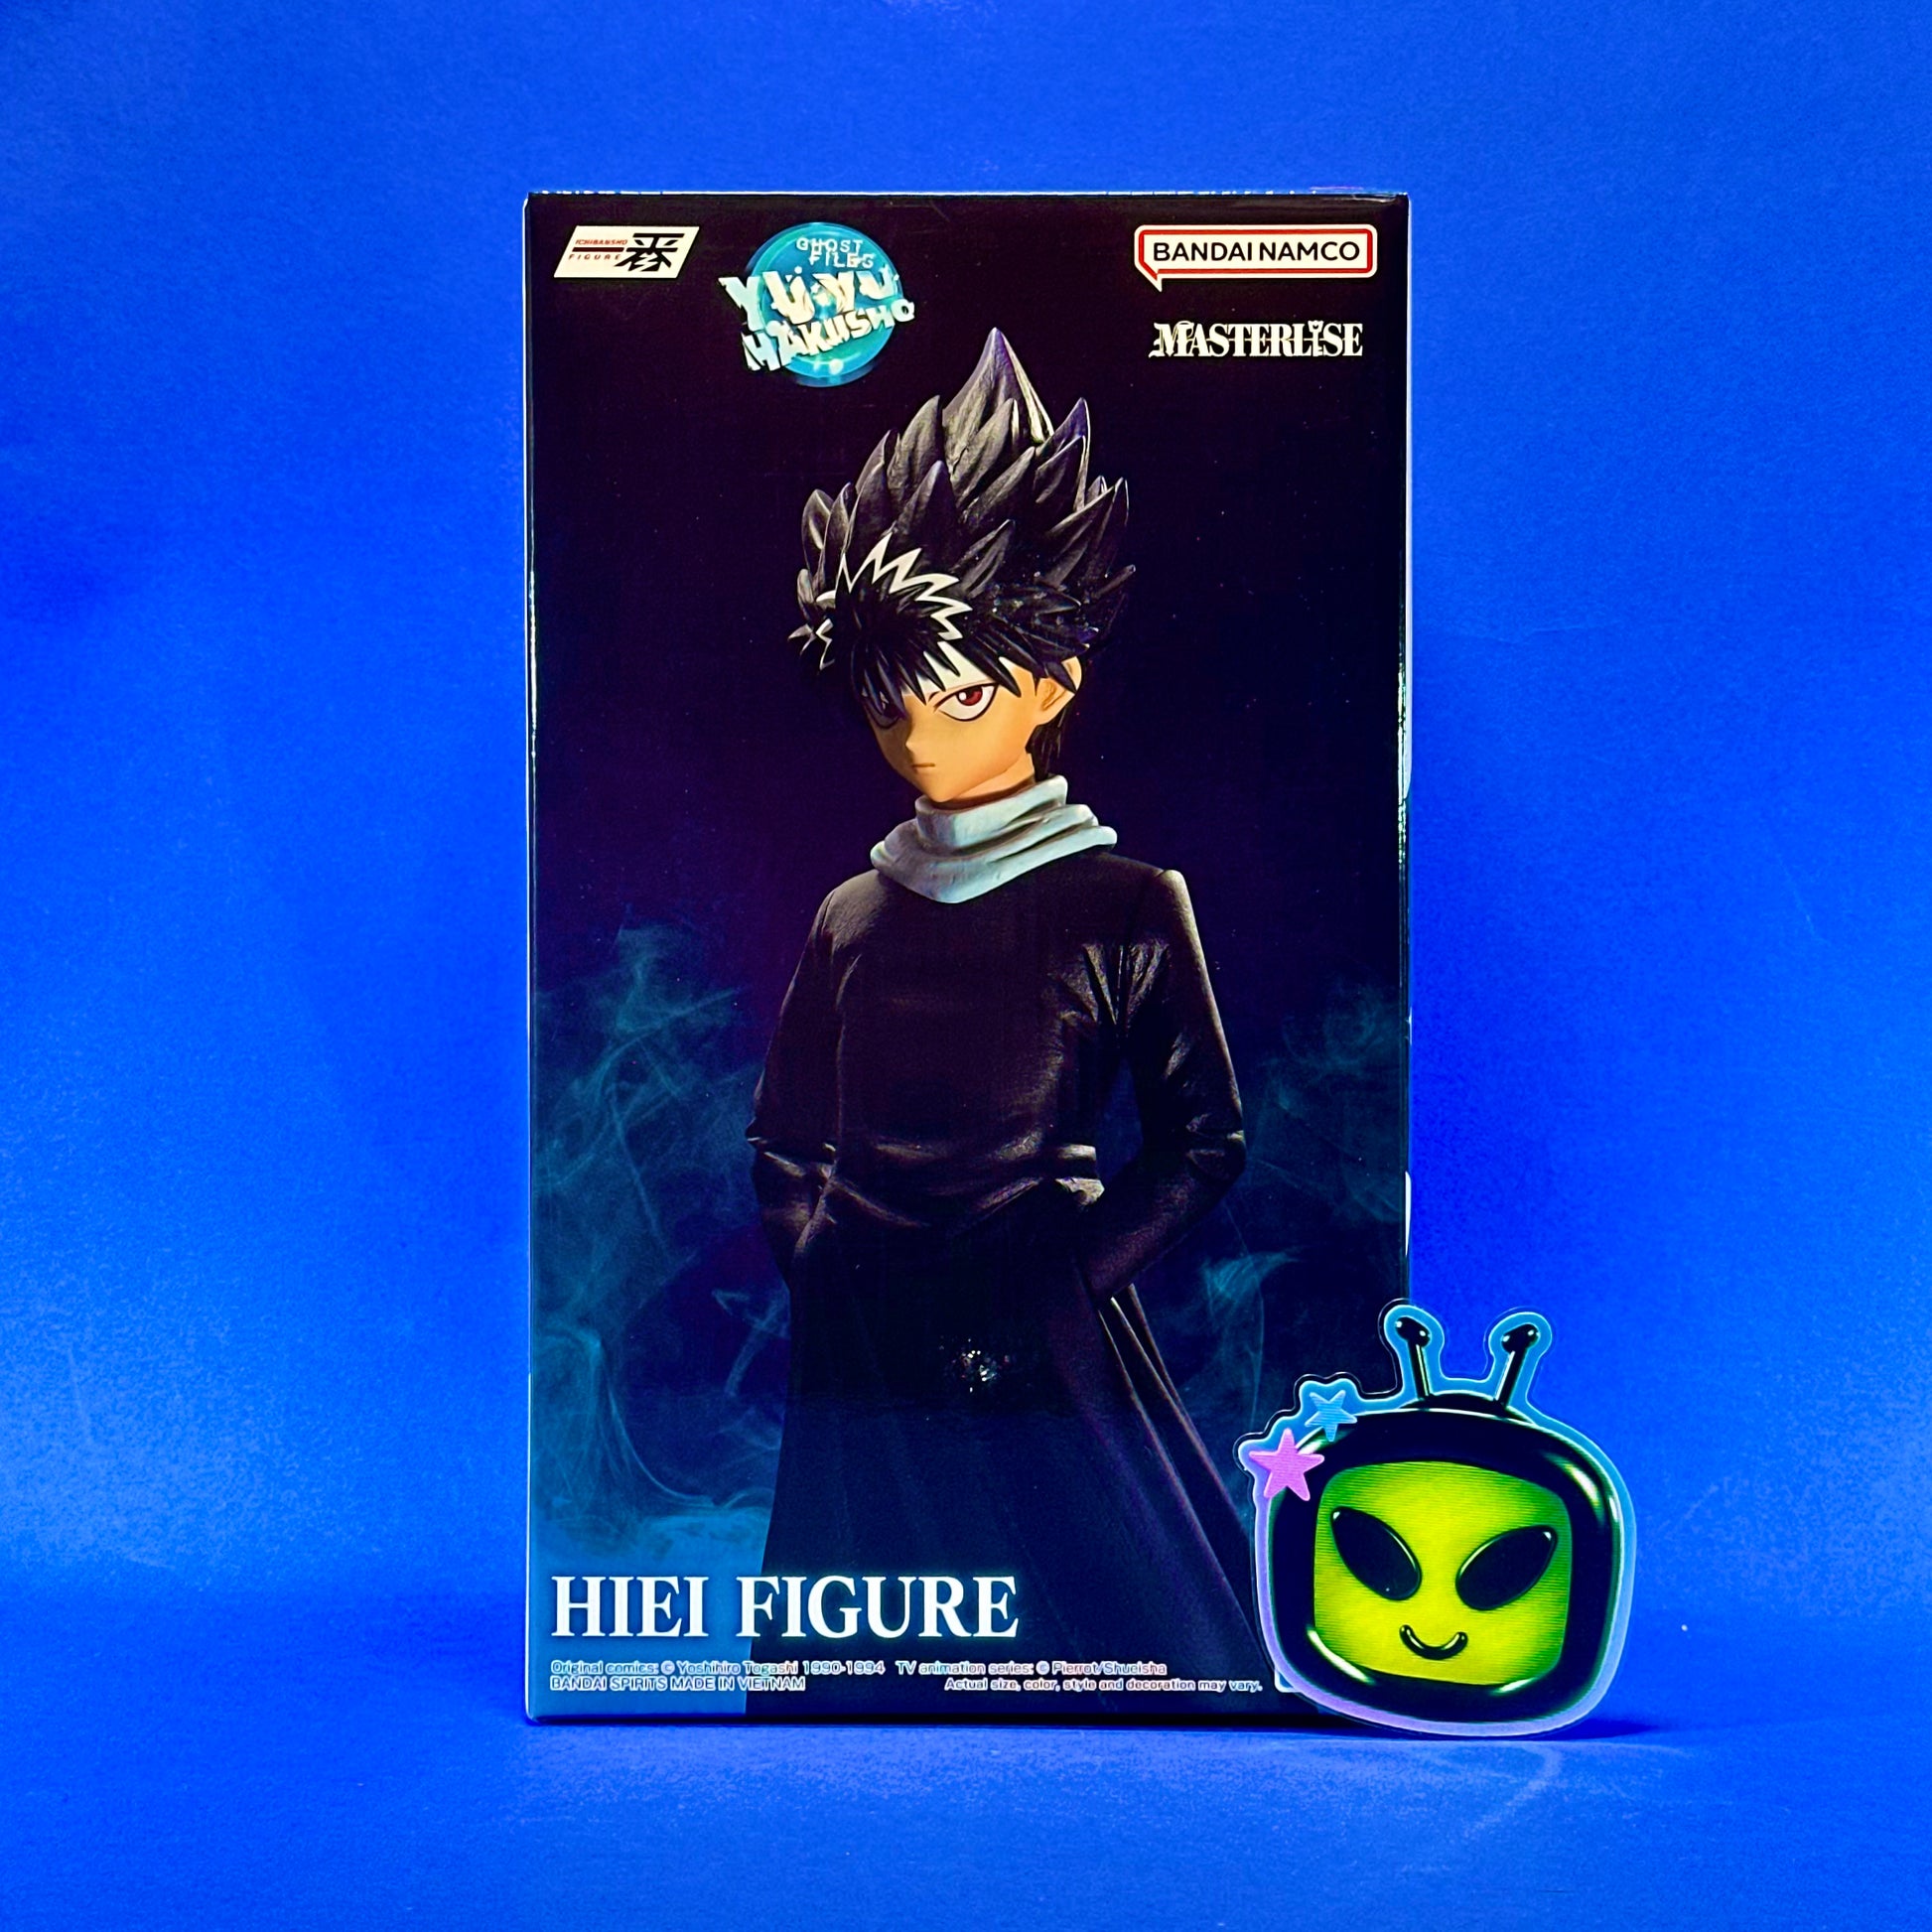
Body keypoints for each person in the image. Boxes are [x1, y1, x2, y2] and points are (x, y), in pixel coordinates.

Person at [748, 332, 1268, 1702]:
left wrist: (1062, 1281)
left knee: (1130, 1640)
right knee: (846, 1660)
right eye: (887, 700)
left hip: (1037, 1329)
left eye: (961, 692)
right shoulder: (852, 913)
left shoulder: (1126, 902)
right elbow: (783, 1137)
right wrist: (822, 1263)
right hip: (863, 1343)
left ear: (1052, 681)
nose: (919, 734)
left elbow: (1204, 1142)